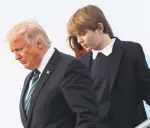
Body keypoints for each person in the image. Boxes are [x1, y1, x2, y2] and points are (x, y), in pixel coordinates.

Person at [67, 4, 150, 128]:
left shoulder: (131, 51)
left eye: (82, 33)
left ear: (100, 28)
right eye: (76, 36)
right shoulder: (80, 64)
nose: (79, 40)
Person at [6, 20, 98, 128]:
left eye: (19, 49)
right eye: (13, 52)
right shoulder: (30, 79)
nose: (16, 57)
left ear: (39, 43)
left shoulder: (69, 67)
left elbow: (88, 117)